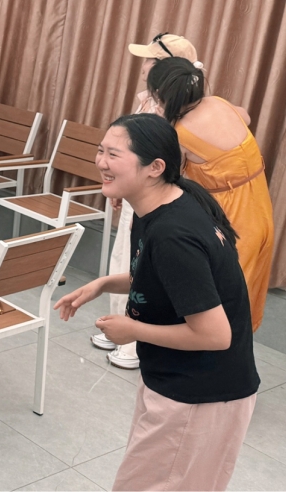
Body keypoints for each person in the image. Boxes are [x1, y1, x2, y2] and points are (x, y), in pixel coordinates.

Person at [56, 114, 259, 492]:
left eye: (114, 154)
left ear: (155, 167)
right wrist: (104, 284)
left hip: (201, 394)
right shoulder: (157, 206)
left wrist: (132, 330)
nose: (101, 162)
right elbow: (162, 277)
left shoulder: (173, 234)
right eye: (100, 151)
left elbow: (216, 335)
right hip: (177, 380)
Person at [93, 33, 199, 369]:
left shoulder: (178, 108)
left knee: (141, 263)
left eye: (150, 60)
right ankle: (117, 329)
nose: (143, 66)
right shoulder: (148, 101)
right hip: (134, 192)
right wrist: (118, 189)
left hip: (152, 196)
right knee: (123, 255)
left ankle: (133, 343)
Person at [148, 56, 275, 331]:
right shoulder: (219, 103)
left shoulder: (180, 132)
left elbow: (166, 175)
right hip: (259, 206)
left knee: (219, 294)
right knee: (242, 290)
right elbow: (245, 116)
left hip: (231, 217)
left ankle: (213, 346)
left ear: (161, 95)